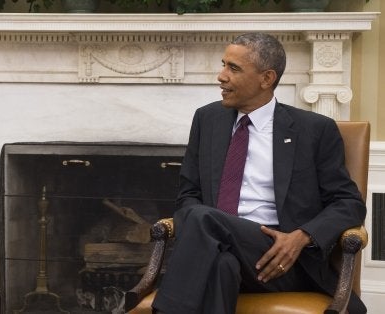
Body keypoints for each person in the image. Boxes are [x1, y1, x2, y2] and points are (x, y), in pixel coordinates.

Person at [151, 32, 367, 314]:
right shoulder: (207, 119)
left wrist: (301, 236)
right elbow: (188, 194)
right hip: (217, 250)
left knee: (202, 217)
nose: (221, 76)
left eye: (234, 68)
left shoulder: (314, 130)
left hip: (281, 258)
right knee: (221, 263)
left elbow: (349, 203)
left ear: (266, 78)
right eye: (223, 64)